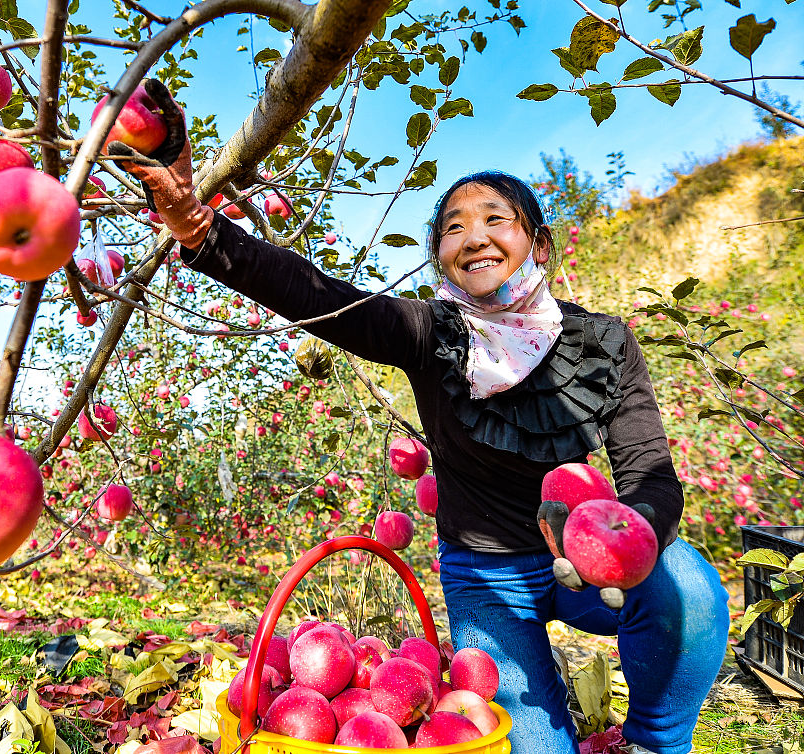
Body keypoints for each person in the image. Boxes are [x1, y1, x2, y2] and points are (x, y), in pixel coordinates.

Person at [110, 80, 731, 754]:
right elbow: (319, 295)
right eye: (453, 228)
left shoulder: (604, 342)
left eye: (497, 219)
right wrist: (201, 229)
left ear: (540, 245)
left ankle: (655, 743)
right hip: (488, 580)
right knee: (532, 747)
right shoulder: (429, 332)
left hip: (588, 567)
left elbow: (651, 474)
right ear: (441, 256)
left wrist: (619, 545)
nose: (474, 238)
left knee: (689, 588)